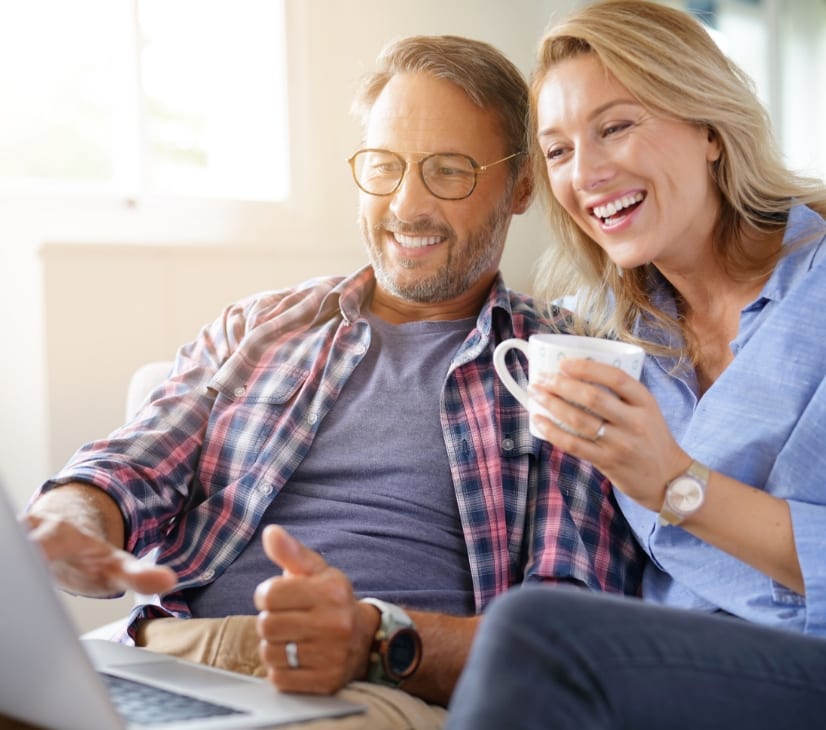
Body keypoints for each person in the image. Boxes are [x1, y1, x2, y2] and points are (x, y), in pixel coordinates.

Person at [20, 34, 645, 730]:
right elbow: (125, 469)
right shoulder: (258, 327)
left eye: (449, 171)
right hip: (164, 656)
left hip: (373, 686)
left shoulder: (559, 365)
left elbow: (566, 629)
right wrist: (74, 525)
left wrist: (377, 638)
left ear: (521, 184)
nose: (408, 205)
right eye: (384, 167)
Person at [446, 1, 826, 728]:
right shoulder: (599, 331)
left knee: (535, 633)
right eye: (557, 151)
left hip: (802, 660)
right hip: (671, 665)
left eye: (615, 126)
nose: (585, 173)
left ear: (710, 129)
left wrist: (674, 483)